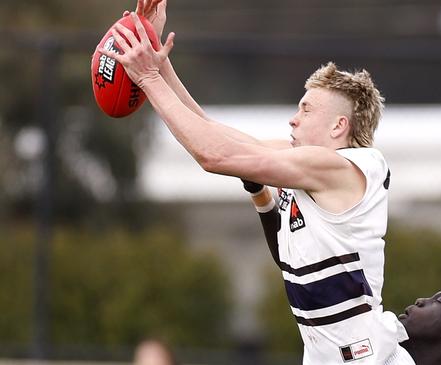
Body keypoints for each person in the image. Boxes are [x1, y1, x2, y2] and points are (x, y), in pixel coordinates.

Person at [103, 0, 394, 363]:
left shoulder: (343, 166)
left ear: (339, 127)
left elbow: (215, 156)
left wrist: (147, 78)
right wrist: (160, 67)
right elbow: (215, 137)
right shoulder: (306, 166)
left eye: (306, 109)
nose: (293, 120)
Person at [243, 182, 441, 365]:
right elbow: (301, 270)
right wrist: (261, 196)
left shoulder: (378, 344)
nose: (422, 300)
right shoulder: (382, 339)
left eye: (438, 301)